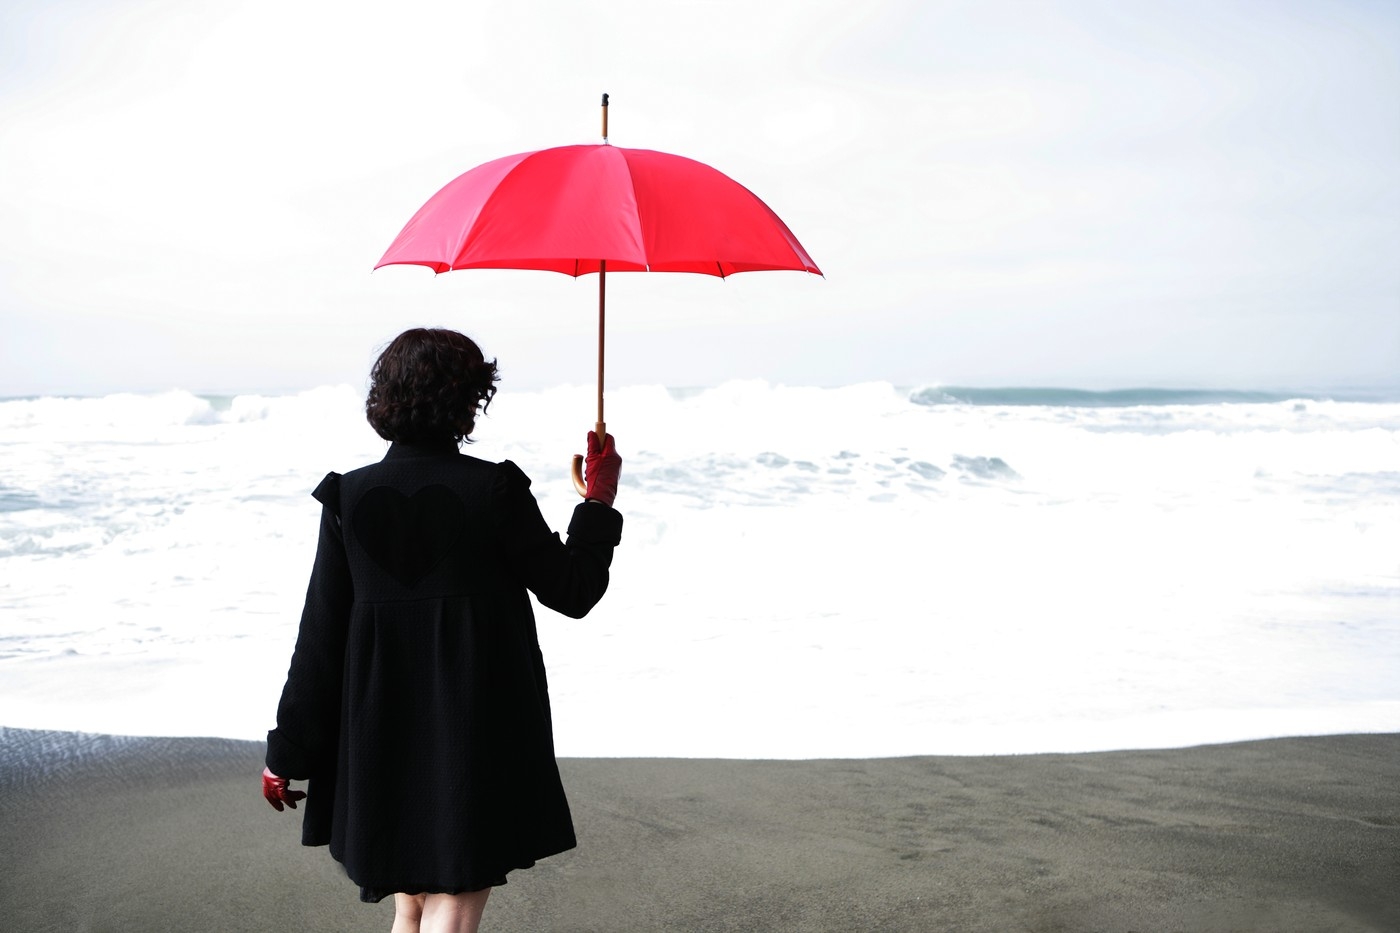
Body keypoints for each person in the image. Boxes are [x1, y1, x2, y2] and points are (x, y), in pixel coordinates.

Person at [261, 327, 622, 933]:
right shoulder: (494, 488)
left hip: (378, 733)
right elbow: (573, 590)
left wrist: (286, 753)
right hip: (473, 730)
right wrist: (598, 502)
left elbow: (319, 636)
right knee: (452, 901)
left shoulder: (349, 496)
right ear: (469, 398)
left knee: (412, 905)